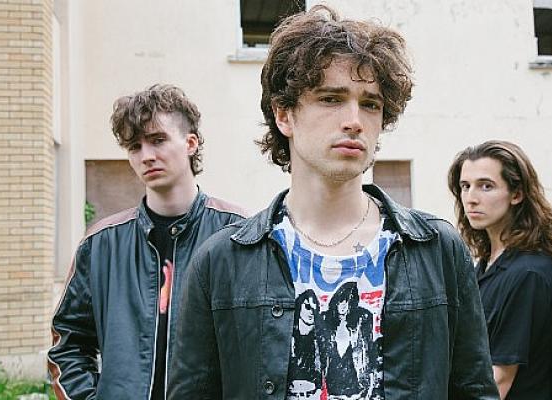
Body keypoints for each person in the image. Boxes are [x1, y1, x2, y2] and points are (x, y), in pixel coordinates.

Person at [167, 5, 498, 399]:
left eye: (370, 104)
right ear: (284, 115)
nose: (354, 120)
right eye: (330, 98)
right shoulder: (221, 261)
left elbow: (474, 389)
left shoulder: (437, 250)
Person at [47, 84, 247, 400]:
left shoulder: (237, 235)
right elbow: (69, 343)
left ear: (190, 143)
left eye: (157, 140)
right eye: (134, 146)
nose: (147, 156)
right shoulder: (101, 244)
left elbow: (263, 346)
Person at [447, 140, 552, 400]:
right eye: (465, 186)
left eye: (486, 186)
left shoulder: (528, 273)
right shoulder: (486, 265)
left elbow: (496, 382)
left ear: (517, 194)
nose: (471, 198)